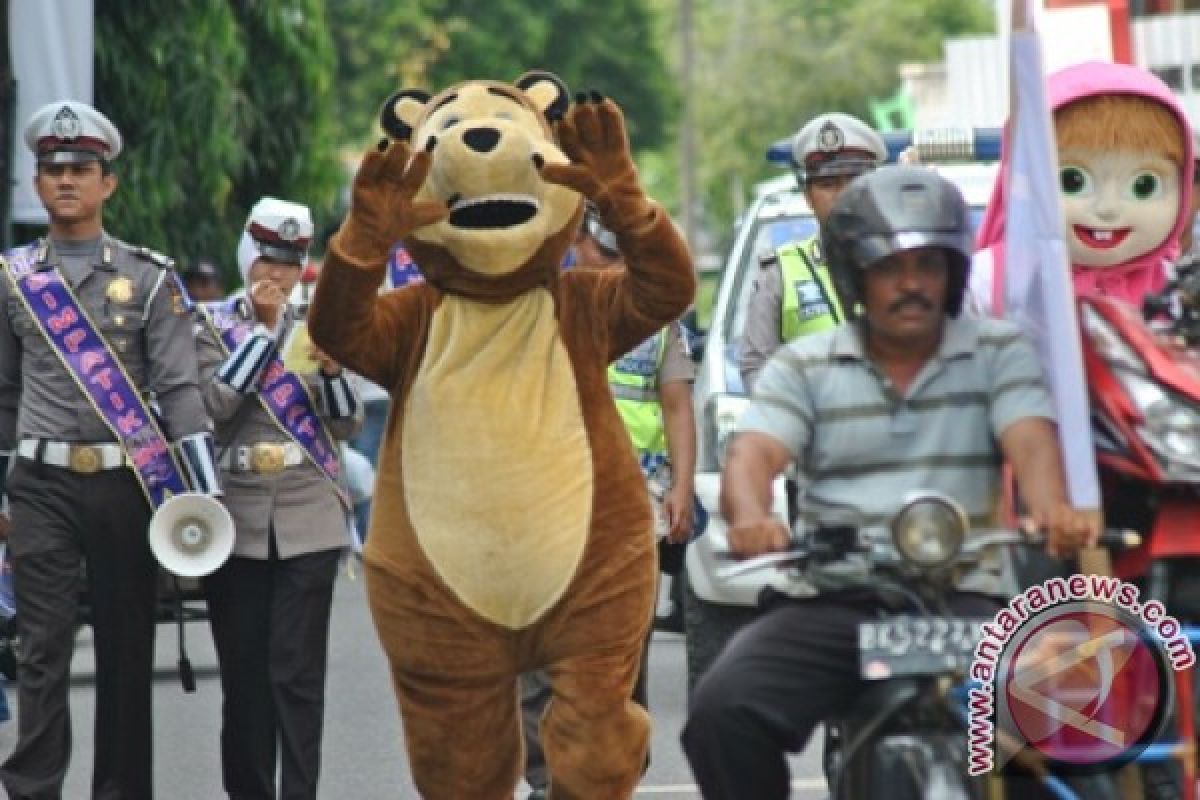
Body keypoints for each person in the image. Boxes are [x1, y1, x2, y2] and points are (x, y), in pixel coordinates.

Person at [681, 165, 1100, 799]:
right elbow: (753, 454)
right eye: (888, 268)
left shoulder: (997, 352)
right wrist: (749, 515)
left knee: (1063, 725)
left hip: (967, 597)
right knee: (722, 711)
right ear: (854, 276)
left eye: (929, 265)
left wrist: (1053, 512)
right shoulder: (807, 365)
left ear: (953, 272)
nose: (911, 284)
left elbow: (1031, 441)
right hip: (837, 602)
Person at [0, 100, 221, 799]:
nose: (66, 179)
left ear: (107, 183)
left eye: (80, 168)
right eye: (52, 168)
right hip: (40, 482)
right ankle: (33, 789)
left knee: (129, 650)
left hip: (128, 485)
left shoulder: (149, 277)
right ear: (37, 182)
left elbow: (181, 390)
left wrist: (204, 493)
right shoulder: (12, 279)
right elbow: (2, 394)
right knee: (41, 648)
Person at [519, 207, 699, 799]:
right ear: (577, 244)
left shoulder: (657, 316)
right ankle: (550, 780)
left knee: (623, 661)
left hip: (634, 509)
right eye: (605, 251)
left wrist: (681, 487)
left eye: (624, 255)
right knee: (542, 657)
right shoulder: (542, 308)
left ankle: (617, 774)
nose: (613, 264)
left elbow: (676, 404)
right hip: (553, 504)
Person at [194, 197, 363, 800]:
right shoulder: (211, 323)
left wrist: (337, 374)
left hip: (308, 515)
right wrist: (263, 337)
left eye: (289, 263)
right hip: (235, 516)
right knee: (244, 680)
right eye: (267, 258)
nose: (277, 274)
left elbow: (345, 430)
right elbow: (211, 409)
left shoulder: (325, 323)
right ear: (248, 254)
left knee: (296, 674)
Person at [739, 112, 887, 391]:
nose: (841, 194)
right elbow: (756, 366)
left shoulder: (900, 261)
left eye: (853, 180)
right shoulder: (780, 272)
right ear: (808, 197)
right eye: (827, 184)